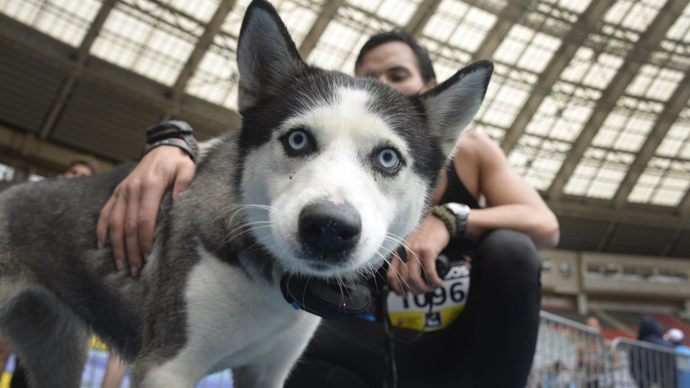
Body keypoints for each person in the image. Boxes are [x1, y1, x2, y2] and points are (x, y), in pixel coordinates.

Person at [96, 31, 559, 387]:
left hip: (463, 342)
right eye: (367, 77)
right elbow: (243, 153)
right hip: (370, 341)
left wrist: (446, 219)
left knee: (514, 249)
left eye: (396, 76)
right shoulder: (328, 147)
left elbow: (544, 224)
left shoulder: (472, 150)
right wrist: (173, 142)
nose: (379, 87)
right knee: (286, 328)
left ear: (432, 90)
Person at [630, 316, 676, 388]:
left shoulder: (635, 348)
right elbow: (672, 369)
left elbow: (635, 370)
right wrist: (660, 384)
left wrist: (648, 385)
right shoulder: (669, 347)